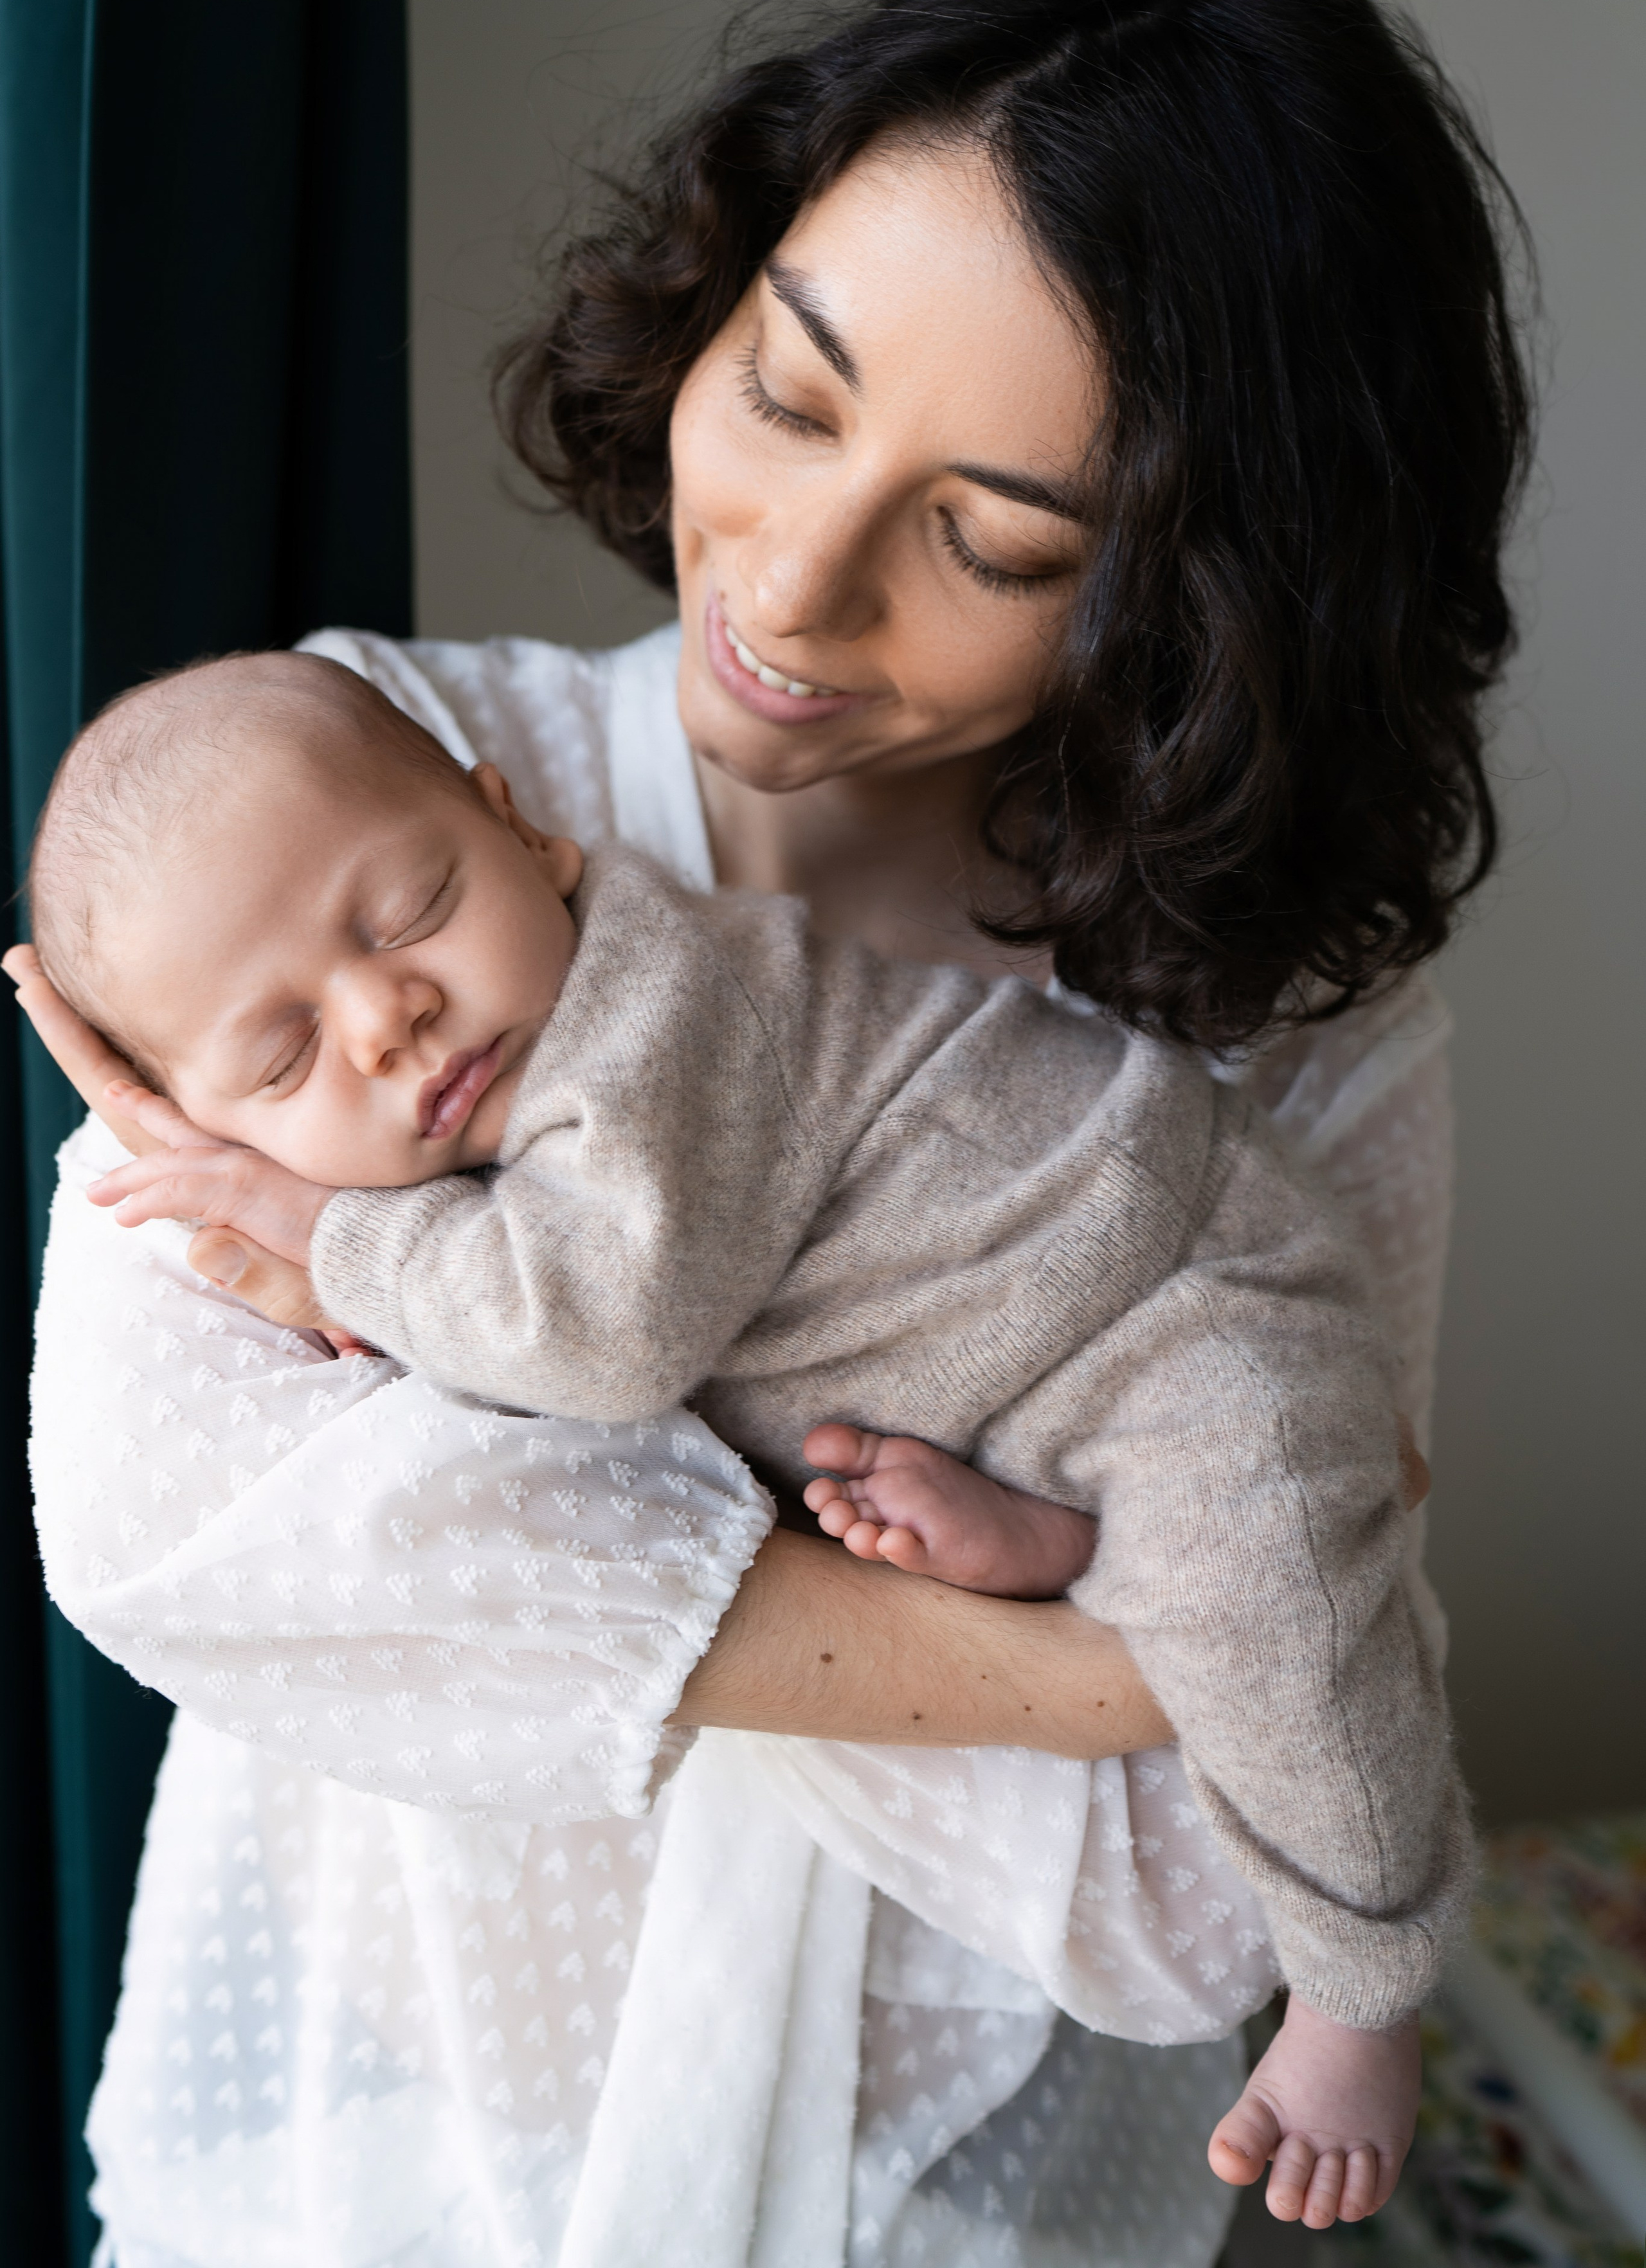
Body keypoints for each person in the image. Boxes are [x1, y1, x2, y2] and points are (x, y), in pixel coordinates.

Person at [15, 0, 1528, 2268]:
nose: (798, 589)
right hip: (367, 2172)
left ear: (1201, 601)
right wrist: (1103, 1658)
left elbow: (1188, 1905)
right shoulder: (368, 807)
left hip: (944, 2215)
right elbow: (174, 1521)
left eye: (993, 541)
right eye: (792, 393)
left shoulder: (1291, 1059)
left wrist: (483, 1449)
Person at [26, 644, 1462, 2204]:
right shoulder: (475, 1114)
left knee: (1279, 1608)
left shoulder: (647, 1014)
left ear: (527, 838)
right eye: (286, 1053)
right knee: (1121, 1543)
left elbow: (594, 1334)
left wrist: (325, 1231)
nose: (387, 1015)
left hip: (1170, 1299)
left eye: (410, 910)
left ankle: (1361, 1983)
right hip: (1010, 1373)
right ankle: (1060, 1538)